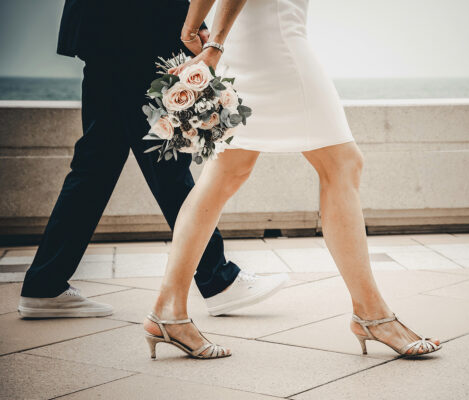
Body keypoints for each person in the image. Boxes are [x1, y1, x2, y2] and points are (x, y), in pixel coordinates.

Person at [143, 0, 441, 359]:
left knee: (227, 172)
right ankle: (372, 314)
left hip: (248, 37)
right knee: (342, 165)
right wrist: (214, 41)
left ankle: (169, 311)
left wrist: (196, 28)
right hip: (275, 40)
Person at [17, 0, 287, 319]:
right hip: (135, 27)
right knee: (163, 158)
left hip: (103, 26)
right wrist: (187, 22)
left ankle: (45, 282)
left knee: (97, 162)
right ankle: (217, 278)